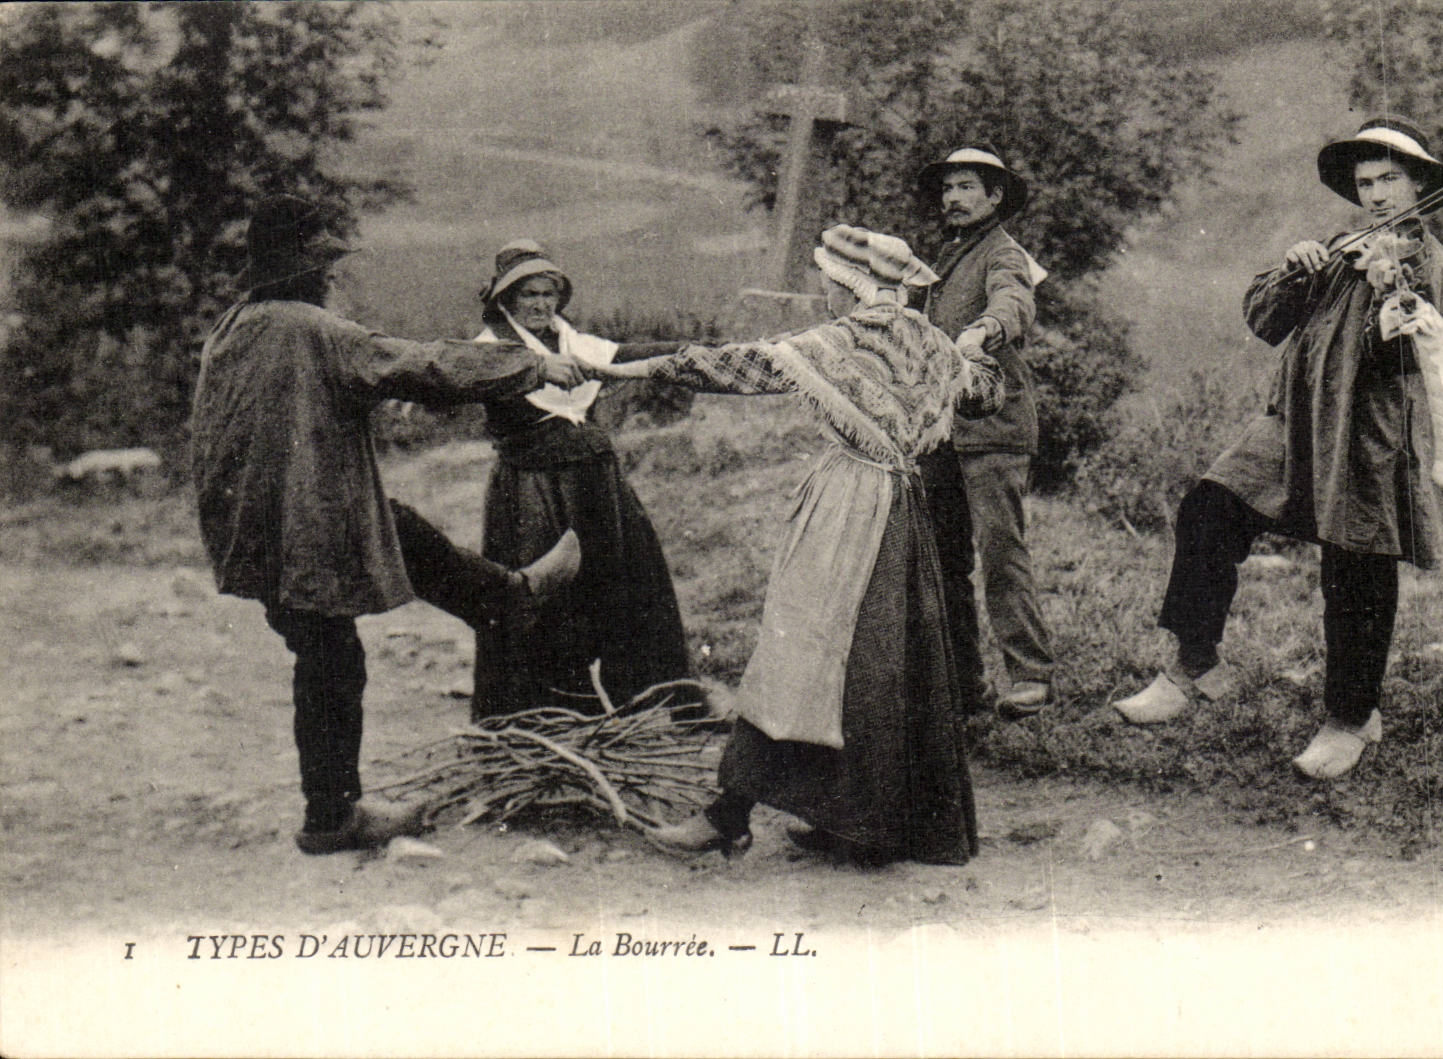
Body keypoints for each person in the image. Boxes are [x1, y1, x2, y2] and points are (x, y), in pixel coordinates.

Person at [596, 225, 1003, 866]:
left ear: (847, 284)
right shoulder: (931, 343)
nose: (821, 293)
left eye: (826, 281)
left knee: (803, 652)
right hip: (905, 507)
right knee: (882, 662)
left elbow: (735, 367)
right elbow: (984, 393)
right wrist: (974, 349)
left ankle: (729, 816)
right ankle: (860, 823)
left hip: (850, 509)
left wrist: (626, 366)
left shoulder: (839, 340)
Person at [190, 195, 583, 855]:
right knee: (331, 659)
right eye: (323, 264)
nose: (330, 276)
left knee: (394, 530)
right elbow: (421, 366)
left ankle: (505, 597)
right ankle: (332, 816)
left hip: (256, 531)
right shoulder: (313, 329)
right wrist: (532, 364)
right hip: (301, 529)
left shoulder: (232, 329)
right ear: (302, 268)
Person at [1113, 116, 1443, 779]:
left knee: (1356, 570)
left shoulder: (1432, 265)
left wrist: (1390, 291)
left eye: (1390, 178)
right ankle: (1192, 666)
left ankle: (1350, 718)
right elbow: (1265, 321)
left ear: (1419, 182)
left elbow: (1406, 360)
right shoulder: (1341, 246)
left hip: (1366, 436)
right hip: (1292, 422)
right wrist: (1295, 270)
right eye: (1366, 182)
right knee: (1208, 510)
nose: (1376, 194)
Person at [468, 241, 691, 719]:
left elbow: (629, 355)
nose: (541, 304)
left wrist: (697, 354)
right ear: (505, 300)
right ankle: (546, 713)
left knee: (629, 583)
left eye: (549, 293)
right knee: (544, 594)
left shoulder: (574, 342)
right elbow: (468, 378)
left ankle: (645, 699)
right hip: (533, 490)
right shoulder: (489, 352)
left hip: (597, 485)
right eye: (529, 294)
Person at [914, 145, 1057, 718]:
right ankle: (961, 689)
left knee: (1000, 551)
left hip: (994, 430)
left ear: (995, 196)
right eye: (948, 188)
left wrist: (986, 330)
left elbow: (1014, 300)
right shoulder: (945, 260)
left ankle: (1031, 677)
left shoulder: (1004, 252)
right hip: (941, 431)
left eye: (967, 186)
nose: (953, 198)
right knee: (942, 560)